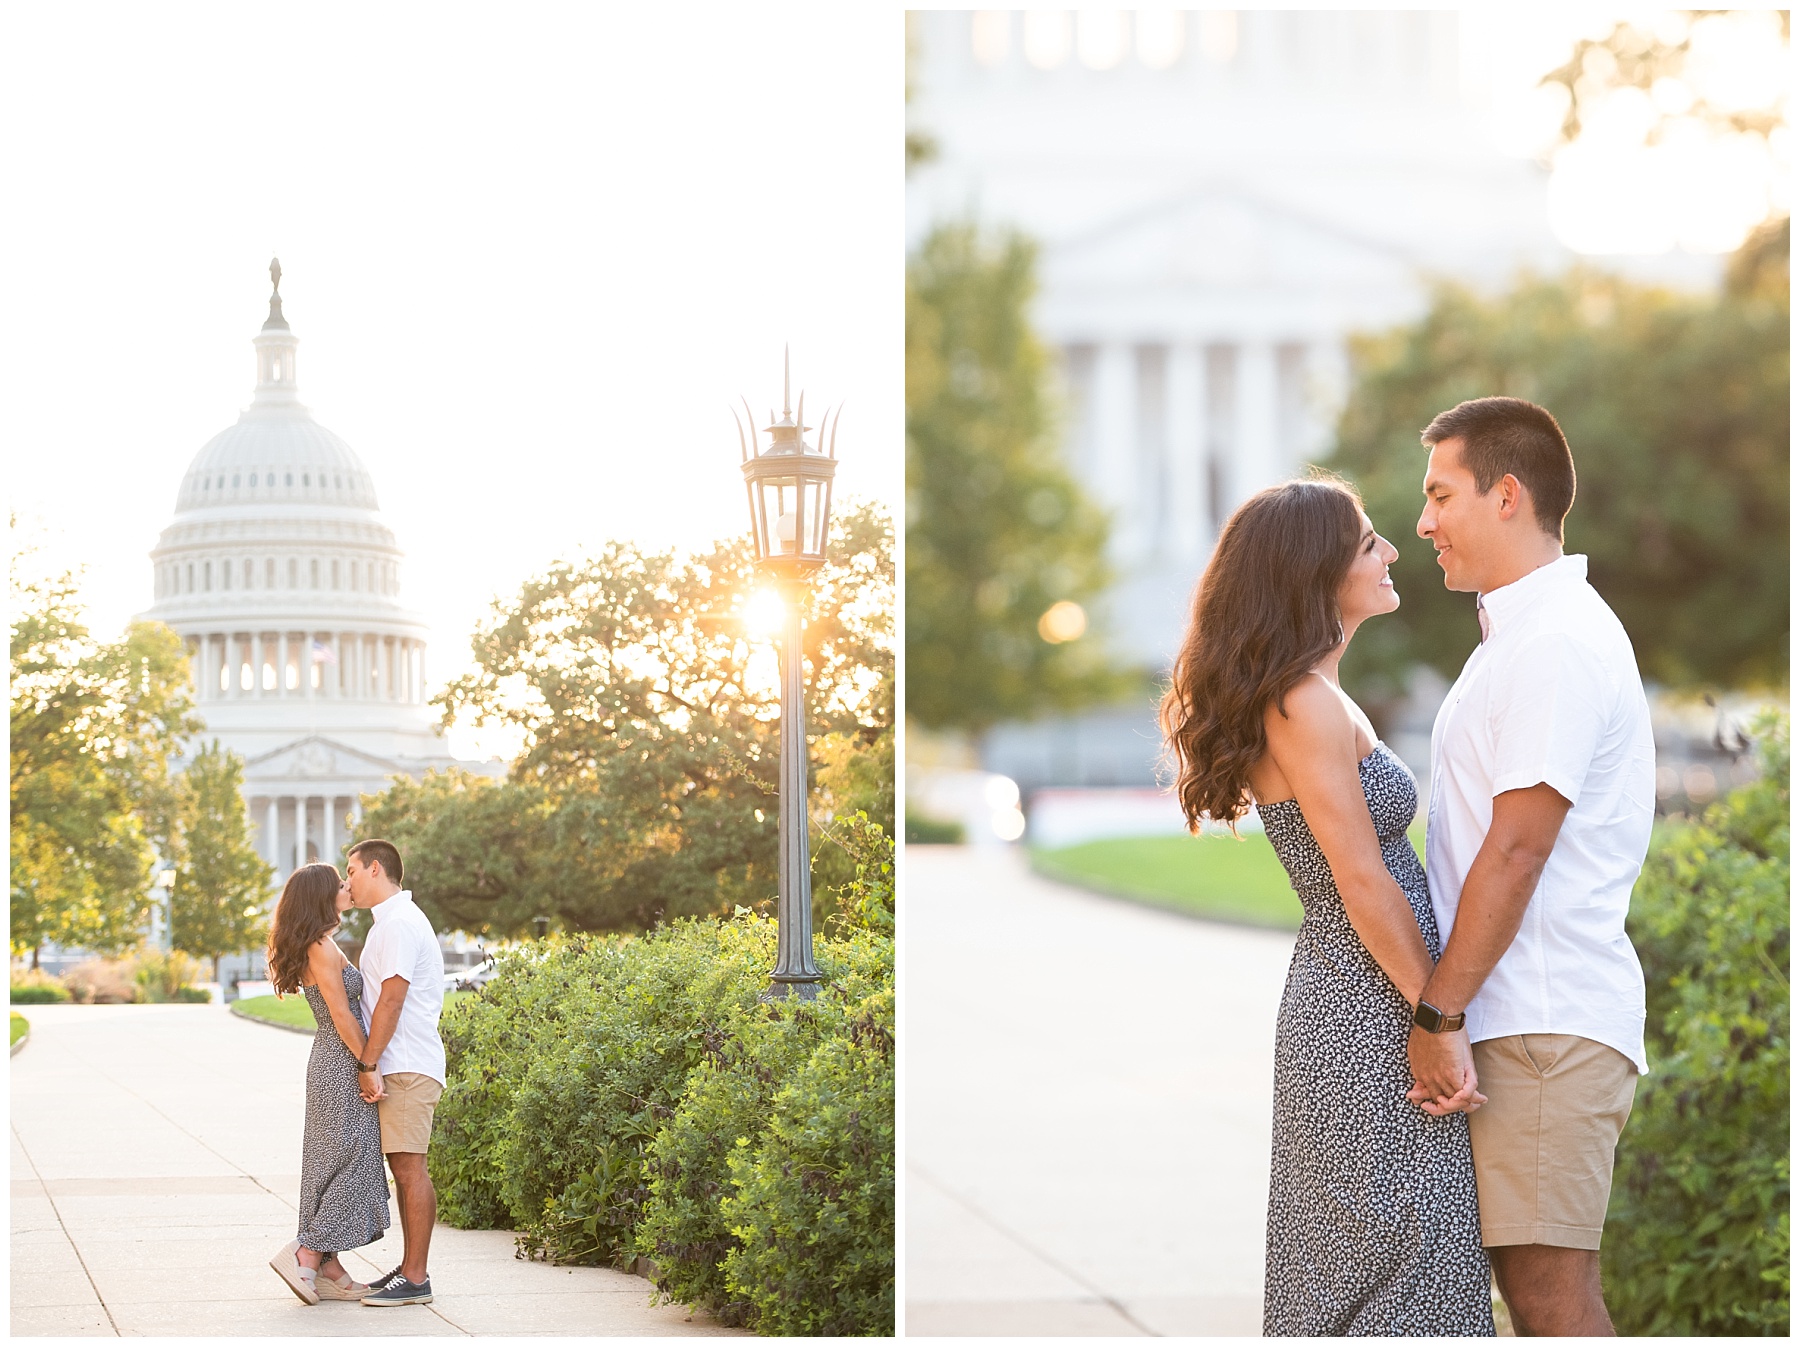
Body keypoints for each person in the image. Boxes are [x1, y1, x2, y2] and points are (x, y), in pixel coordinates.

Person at [1161, 474, 1494, 1336]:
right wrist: (1438, 1014)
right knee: (1398, 1260)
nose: (1390, 551)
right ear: (1315, 573)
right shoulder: (1303, 704)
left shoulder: (1314, 693)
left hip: (1365, 996)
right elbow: (1360, 878)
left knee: (1391, 1261)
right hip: (1366, 1007)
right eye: (1367, 542)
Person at [1410, 397, 1652, 1336]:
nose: (1423, 523)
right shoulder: (1518, 636)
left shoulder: (1554, 641)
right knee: (1537, 1298)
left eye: (1440, 495)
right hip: (1521, 1019)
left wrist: (1440, 1010)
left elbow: (1518, 848)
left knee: (1552, 1302)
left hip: (1541, 1021)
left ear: (1506, 494)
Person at [264, 863, 389, 1306]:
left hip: (333, 1061)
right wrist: (367, 1064)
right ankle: (307, 1251)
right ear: (322, 895)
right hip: (340, 1063)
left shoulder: (324, 942)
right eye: (339, 884)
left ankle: (329, 1270)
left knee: (332, 1164)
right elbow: (340, 1015)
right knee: (355, 1160)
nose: (347, 887)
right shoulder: (320, 946)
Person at [344, 838, 447, 1308]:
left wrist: (368, 1062)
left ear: (376, 869)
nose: (347, 881)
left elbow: (392, 997)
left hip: (406, 1061)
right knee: (403, 1167)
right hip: (401, 1060)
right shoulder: (388, 923)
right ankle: (409, 1269)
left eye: (352, 870)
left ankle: (417, 1277)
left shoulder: (401, 923)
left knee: (410, 1168)